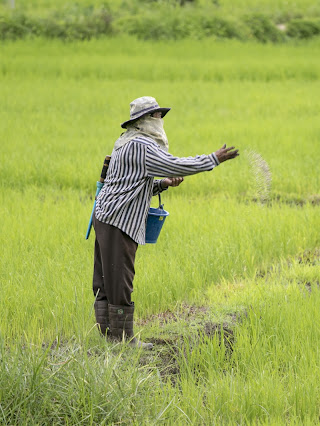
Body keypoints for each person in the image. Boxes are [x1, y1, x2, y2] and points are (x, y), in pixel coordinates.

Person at [92, 96, 239, 348]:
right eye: (157, 115)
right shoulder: (140, 146)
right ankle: (123, 341)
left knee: (106, 279)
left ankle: (108, 337)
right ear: (145, 120)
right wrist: (212, 159)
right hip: (118, 220)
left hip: (107, 215)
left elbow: (131, 185)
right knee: (120, 279)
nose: (161, 120)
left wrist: (162, 183)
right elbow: (175, 164)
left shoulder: (124, 142)